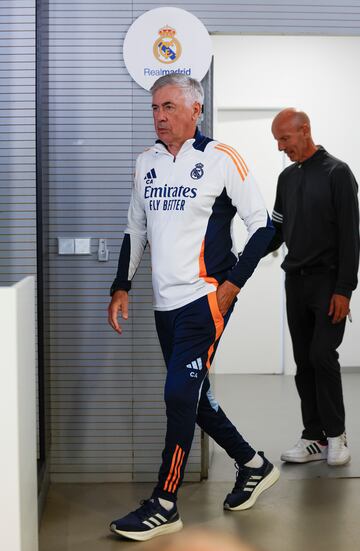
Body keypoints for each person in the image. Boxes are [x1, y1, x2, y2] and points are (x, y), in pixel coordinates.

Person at [108, 74, 279, 542]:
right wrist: (120, 286)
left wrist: (231, 285)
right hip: (165, 304)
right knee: (194, 395)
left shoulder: (221, 158)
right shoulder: (146, 162)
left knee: (178, 396)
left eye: (168, 107)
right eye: (155, 109)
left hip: (205, 299)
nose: (160, 117)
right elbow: (135, 231)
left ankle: (164, 503)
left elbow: (263, 226)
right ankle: (253, 463)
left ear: (194, 110)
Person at [267, 108, 359, 466]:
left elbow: (351, 236)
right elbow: (276, 230)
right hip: (296, 282)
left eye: (284, 138)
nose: (280, 147)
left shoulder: (338, 173)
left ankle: (336, 435)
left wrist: (344, 290)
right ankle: (314, 438)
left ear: (304, 131)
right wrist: (243, 256)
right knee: (304, 361)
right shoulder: (286, 178)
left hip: (328, 284)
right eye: (277, 140)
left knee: (323, 355)